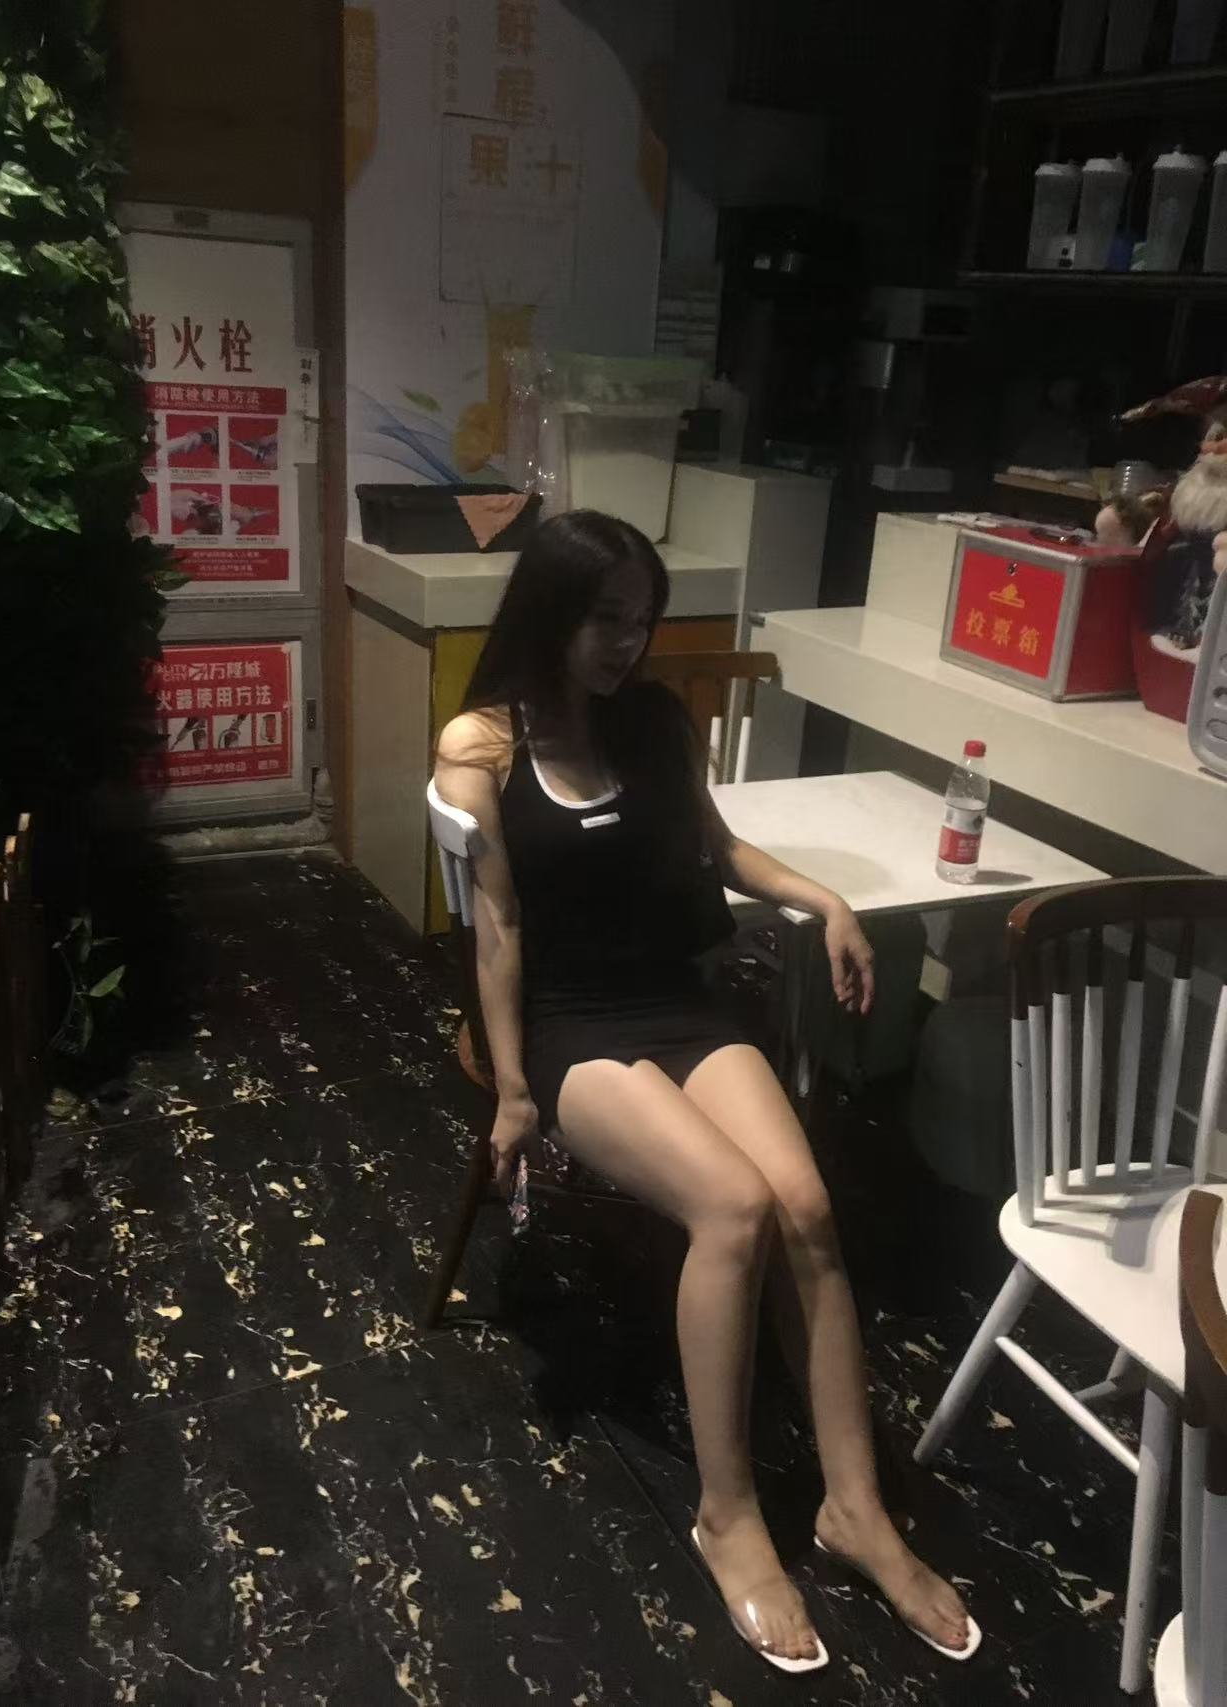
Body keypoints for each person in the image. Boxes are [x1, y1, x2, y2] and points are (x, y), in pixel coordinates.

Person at [434, 511, 977, 1671]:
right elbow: (497, 930)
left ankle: (853, 1508)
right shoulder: (481, 745)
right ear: (549, 611)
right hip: (571, 1023)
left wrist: (824, 900)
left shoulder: (650, 724)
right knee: (732, 1207)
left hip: (673, 1002)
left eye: (640, 620)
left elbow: (721, 853)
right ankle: (727, 1515)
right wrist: (514, 1091)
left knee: (807, 1208)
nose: (625, 643)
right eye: (604, 619)